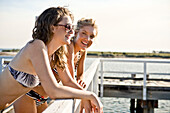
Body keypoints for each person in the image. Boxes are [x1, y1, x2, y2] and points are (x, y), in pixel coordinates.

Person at [0, 7, 103, 113]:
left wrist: (84, 97)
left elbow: (67, 81)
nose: (72, 32)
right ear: (52, 27)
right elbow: (53, 91)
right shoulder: (36, 46)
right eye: (67, 27)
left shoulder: (58, 53)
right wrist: (90, 95)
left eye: (72, 27)